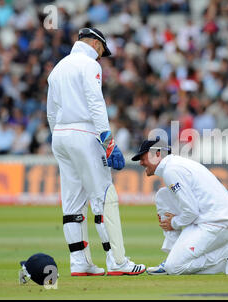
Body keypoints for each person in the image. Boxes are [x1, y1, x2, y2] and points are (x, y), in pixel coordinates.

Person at [47, 27, 145, 276]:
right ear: (94, 43)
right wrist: (108, 140)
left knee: (72, 202)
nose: (101, 55)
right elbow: (95, 103)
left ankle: (80, 263)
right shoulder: (90, 65)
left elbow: (51, 111)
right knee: (103, 197)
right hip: (84, 134)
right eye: (102, 49)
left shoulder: (58, 68)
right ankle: (117, 261)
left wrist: (59, 136)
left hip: (60, 134)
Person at [131, 137, 228, 275]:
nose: (141, 163)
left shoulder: (171, 170)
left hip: (217, 222)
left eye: (143, 158)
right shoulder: (174, 164)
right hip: (212, 218)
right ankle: (173, 256)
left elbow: (191, 211)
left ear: (157, 154)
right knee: (162, 196)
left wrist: (173, 223)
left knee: (174, 268)